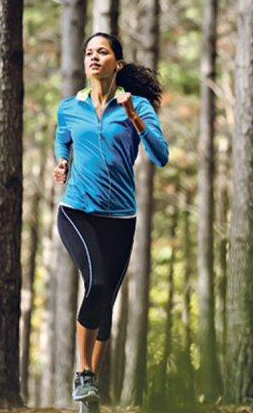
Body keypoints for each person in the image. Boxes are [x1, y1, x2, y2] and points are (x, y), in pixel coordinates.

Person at [52, 32, 168, 411]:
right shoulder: (71, 107)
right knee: (97, 283)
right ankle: (83, 374)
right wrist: (62, 161)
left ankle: (91, 391)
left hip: (121, 217)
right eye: (89, 52)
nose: (93, 57)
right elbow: (62, 138)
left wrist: (134, 115)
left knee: (106, 302)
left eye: (102, 52)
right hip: (77, 210)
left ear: (117, 63)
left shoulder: (139, 107)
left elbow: (160, 155)